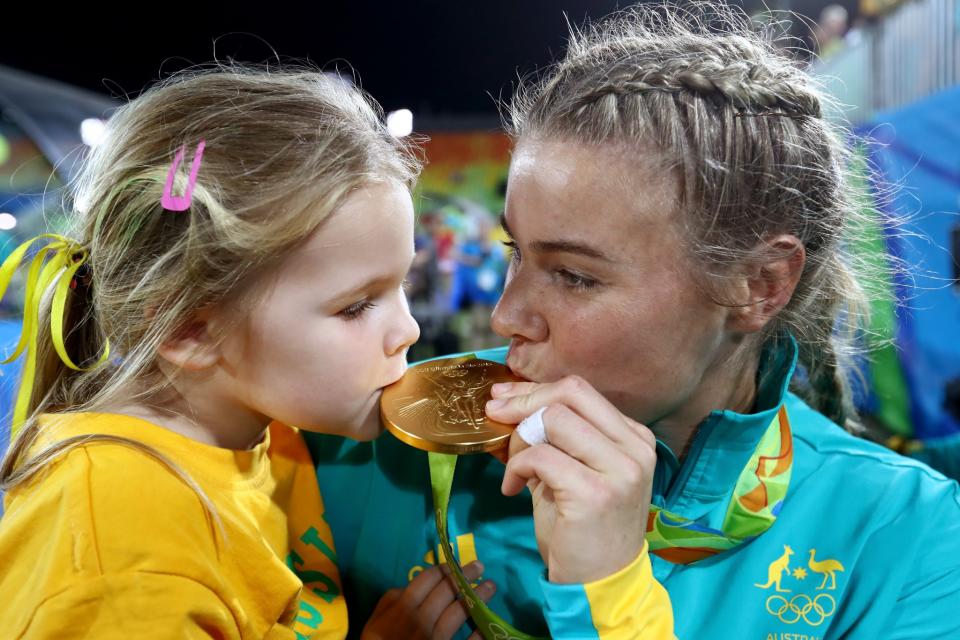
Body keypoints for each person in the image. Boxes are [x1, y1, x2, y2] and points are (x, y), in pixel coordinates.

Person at [308, 4, 960, 638]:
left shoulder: (910, 541)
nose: (507, 316)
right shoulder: (364, 442)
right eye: (517, 253)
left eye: (573, 275)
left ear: (759, 285)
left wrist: (606, 595)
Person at [0, 66, 492, 639]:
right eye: (357, 306)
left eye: (401, 285)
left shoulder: (259, 423)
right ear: (191, 333)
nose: (407, 331)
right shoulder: (123, 554)